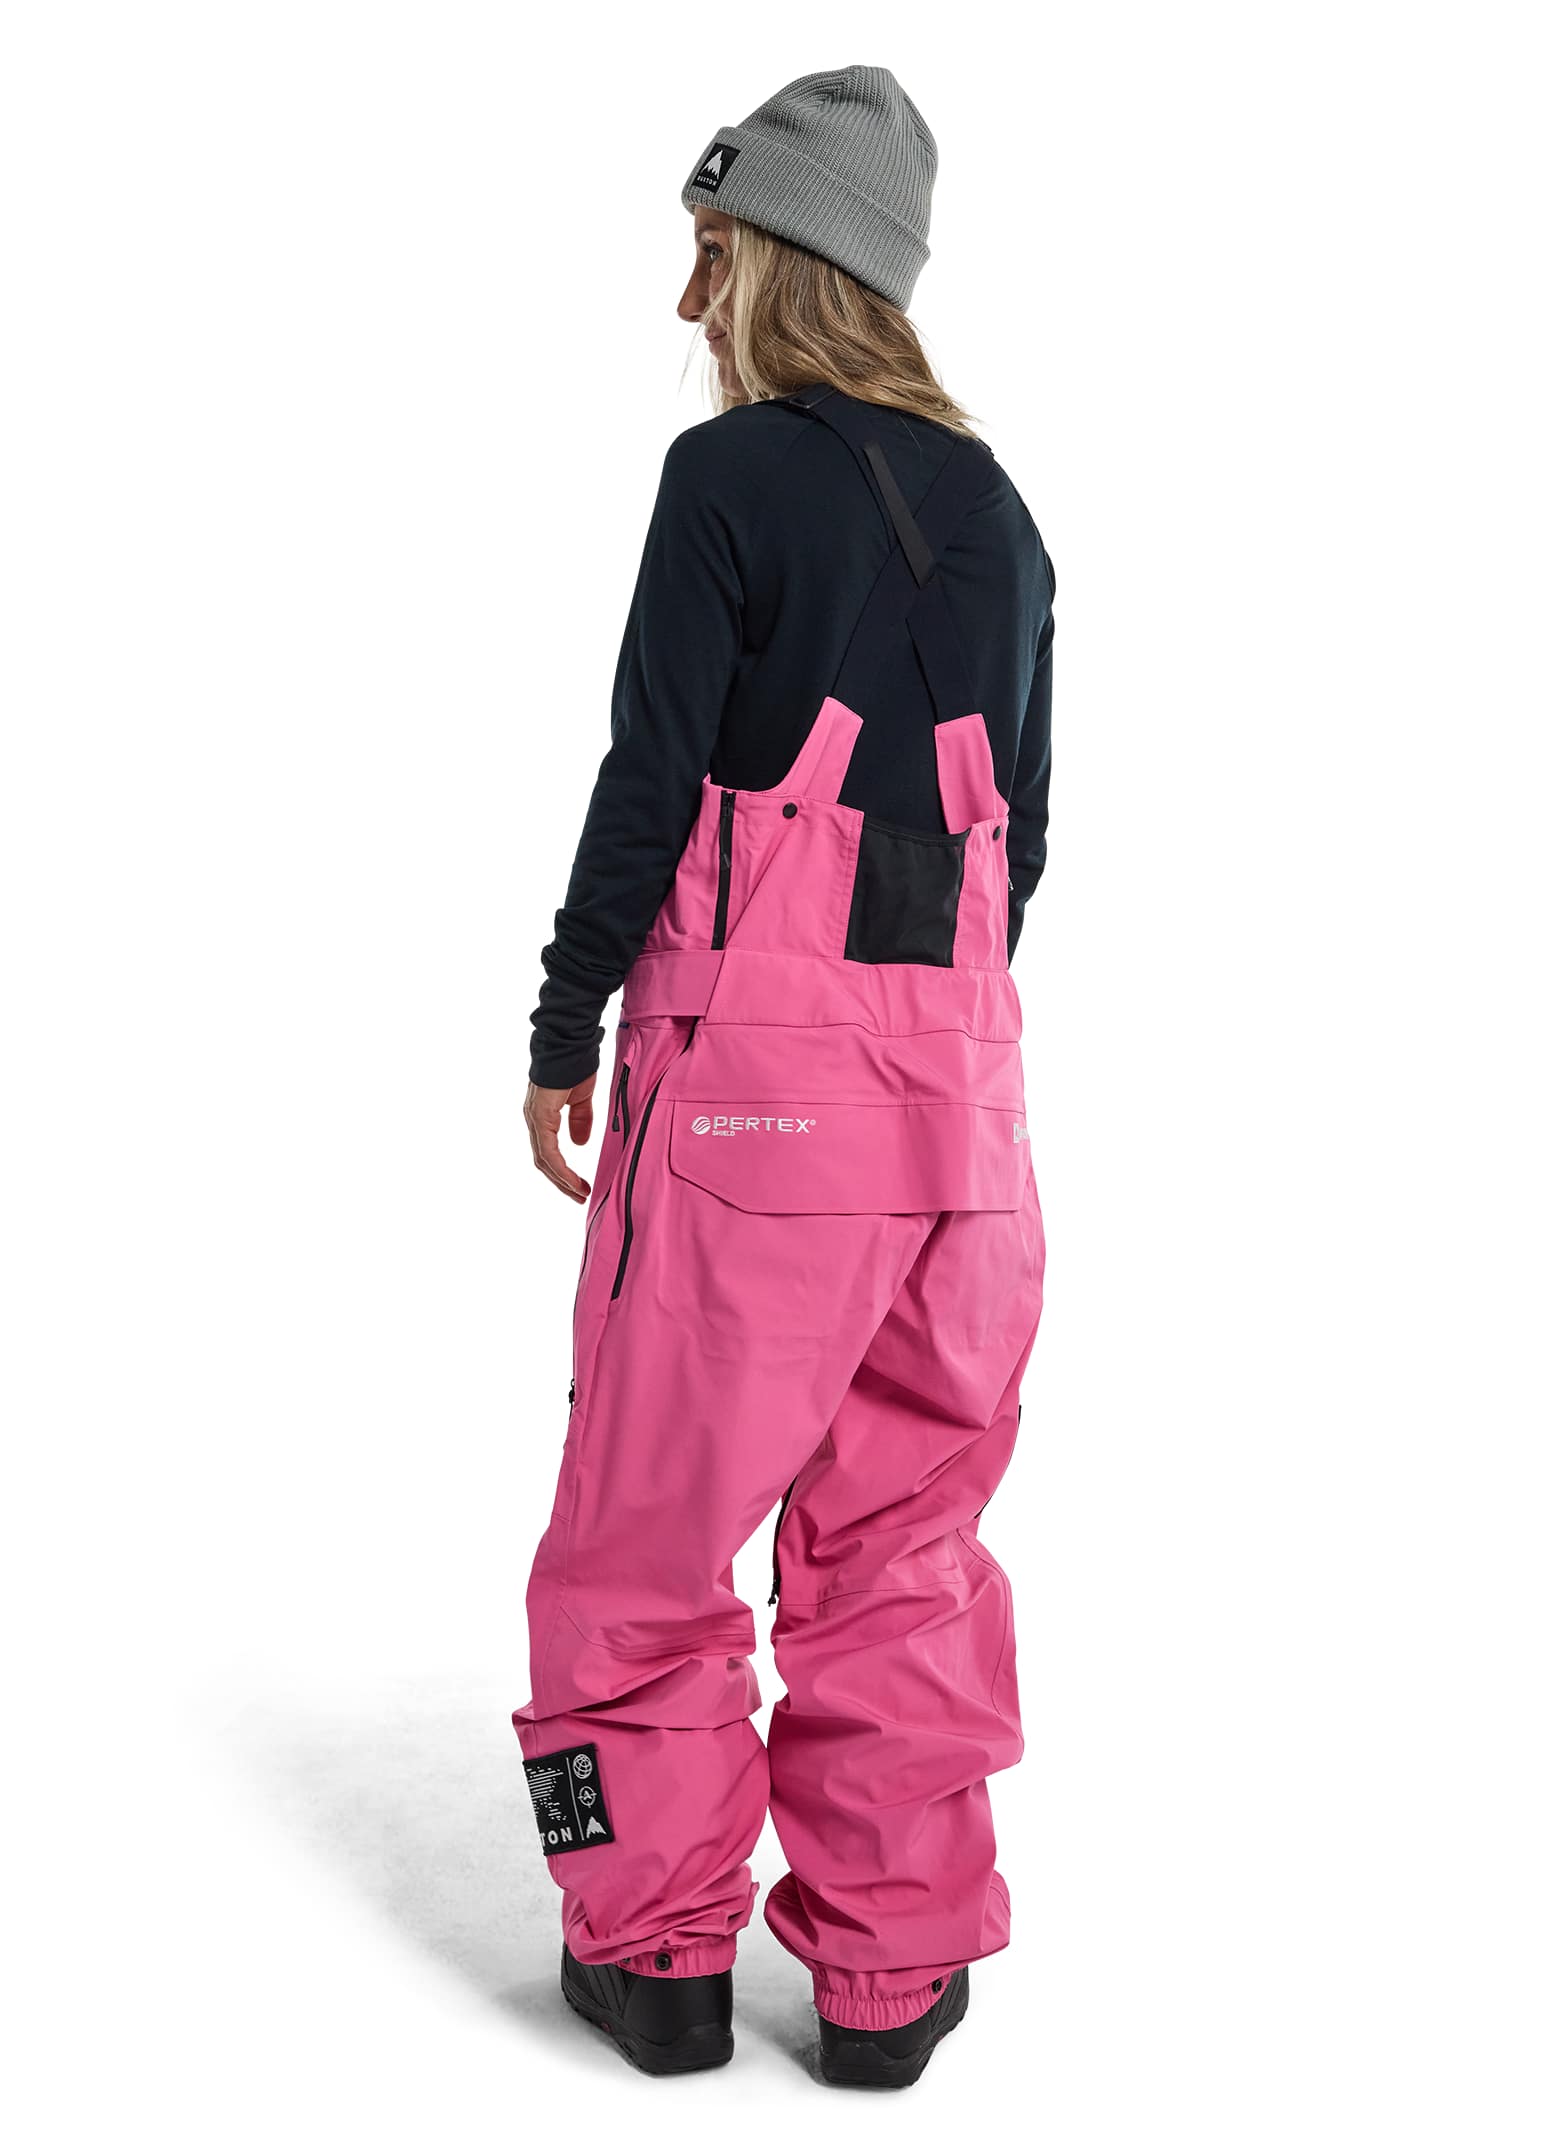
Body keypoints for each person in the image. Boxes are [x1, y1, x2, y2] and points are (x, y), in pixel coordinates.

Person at [512, 63, 1053, 2088]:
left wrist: (565, 1022)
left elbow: (652, 778)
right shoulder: (1002, 518)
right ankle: (888, 1985)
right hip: (968, 1128)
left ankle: (656, 1958)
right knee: (901, 1552)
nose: (688, 301)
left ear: (784, 262)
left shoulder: (729, 480)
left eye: (709, 251)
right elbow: (1027, 847)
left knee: (648, 1537)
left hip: (749, 1109)